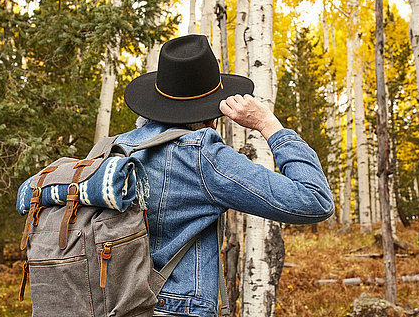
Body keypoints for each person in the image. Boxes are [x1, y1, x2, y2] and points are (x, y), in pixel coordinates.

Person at [119, 34, 334, 317]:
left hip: (115, 303)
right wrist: (269, 125)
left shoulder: (114, 148)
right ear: (211, 114)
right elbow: (314, 200)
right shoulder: (200, 155)